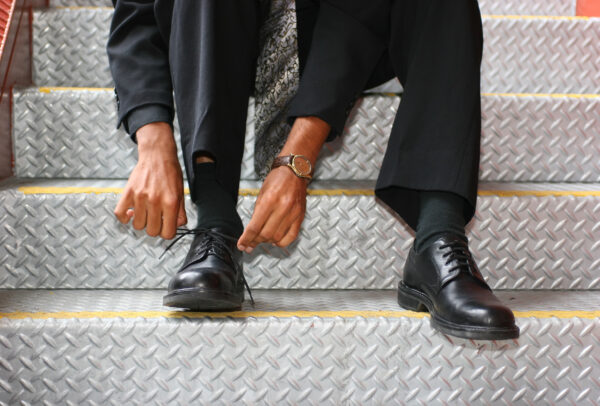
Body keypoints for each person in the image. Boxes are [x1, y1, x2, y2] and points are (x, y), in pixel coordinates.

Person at [107, 0, 519, 340]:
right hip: (213, 31)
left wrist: (297, 158)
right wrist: (154, 140)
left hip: (338, 25)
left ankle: (438, 234)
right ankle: (215, 225)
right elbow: (137, 12)